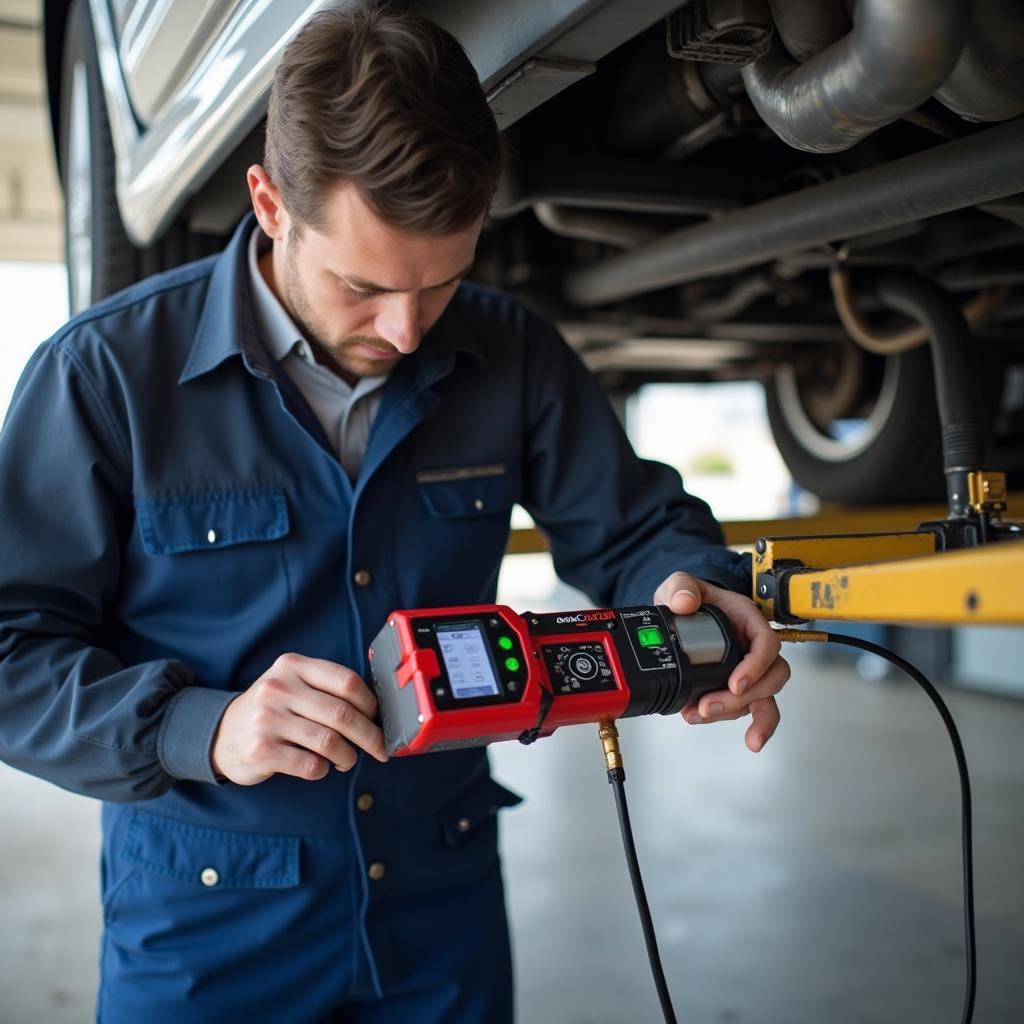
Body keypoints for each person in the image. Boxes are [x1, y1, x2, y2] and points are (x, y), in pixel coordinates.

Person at [0, 4, 790, 1021]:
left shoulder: (510, 350)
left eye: (441, 283)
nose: (408, 331)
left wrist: (700, 598)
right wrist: (208, 725)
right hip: (207, 920)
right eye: (364, 286)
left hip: (441, 905)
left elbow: (637, 530)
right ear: (271, 202)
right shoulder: (105, 374)